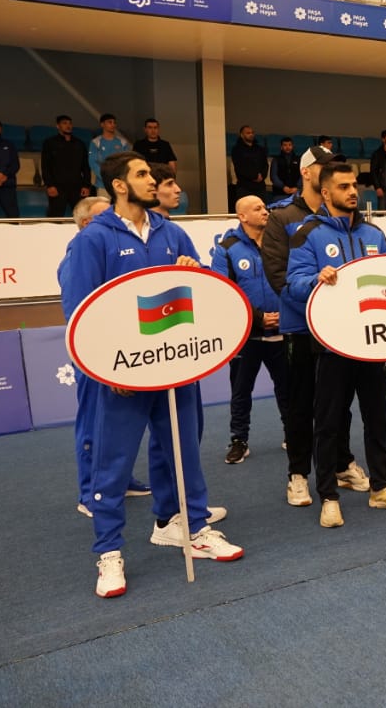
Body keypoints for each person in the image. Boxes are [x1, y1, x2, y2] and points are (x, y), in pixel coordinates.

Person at [60, 152, 242, 598]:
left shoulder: (171, 231)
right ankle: (108, 554)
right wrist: (105, 367)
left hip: (176, 365)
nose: (153, 181)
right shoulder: (93, 240)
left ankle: (186, 526)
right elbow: (80, 312)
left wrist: (193, 273)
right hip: (122, 374)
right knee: (113, 463)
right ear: (119, 185)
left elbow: (201, 290)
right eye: (142, 174)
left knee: (182, 451)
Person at [286, 162, 386, 528]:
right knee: (329, 421)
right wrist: (315, 279)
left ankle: (381, 488)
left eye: (355, 185)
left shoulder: (374, 232)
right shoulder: (307, 233)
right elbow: (292, 281)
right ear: (325, 193)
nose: (354, 191)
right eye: (344, 186)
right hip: (332, 346)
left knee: (377, 416)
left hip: (371, 344)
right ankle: (329, 496)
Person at [262, 145, 368, 508]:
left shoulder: (350, 217)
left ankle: (341, 462)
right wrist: (321, 313)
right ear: (308, 173)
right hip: (303, 328)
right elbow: (280, 278)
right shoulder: (281, 216)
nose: (334, 172)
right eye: (325, 167)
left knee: (339, 404)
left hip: (344, 329)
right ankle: (297, 474)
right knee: (301, 403)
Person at [60, 195, 152, 520]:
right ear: (87, 224)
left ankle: (120, 480)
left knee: (116, 425)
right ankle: (89, 491)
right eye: (105, 216)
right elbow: (79, 312)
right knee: (93, 423)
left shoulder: (110, 248)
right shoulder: (78, 254)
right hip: (94, 354)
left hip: (121, 349)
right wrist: (98, 357)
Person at [211, 196, 290, 466]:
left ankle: (292, 433)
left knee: (289, 388)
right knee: (241, 390)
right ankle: (239, 440)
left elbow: (290, 279)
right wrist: (258, 319)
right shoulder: (227, 249)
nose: (264, 211)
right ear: (242, 216)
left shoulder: (279, 243)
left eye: (264, 206)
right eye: (257, 209)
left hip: (282, 330)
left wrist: (285, 313)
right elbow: (222, 293)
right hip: (246, 335)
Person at [41, 115, 93, 218]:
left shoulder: (79, 144)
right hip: (57, 187)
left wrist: (86, 185)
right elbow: (45, 166)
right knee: (55, 217)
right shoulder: (50, 143)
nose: (68, 126)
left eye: (70, 123)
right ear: (58, 126)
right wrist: (49, 185)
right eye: (64, 123)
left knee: (82, 216)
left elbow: (85, 167)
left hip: (77, 186)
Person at [88, 114, 130, 194]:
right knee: (104, 206)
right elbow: (93, 162)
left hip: (120, 183)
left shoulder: (122, 142)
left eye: (114, 123)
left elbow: (127, 160)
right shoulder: (96, 142)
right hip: (103, 184)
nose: (113, 125)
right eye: (109, 122)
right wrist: (105, 177)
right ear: (102, 124)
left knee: (120, 206)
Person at [232, 125, 270, 201]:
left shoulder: (260, 149)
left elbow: (265, 164)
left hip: (260, 186)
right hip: (244, 186)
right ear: (242, 135)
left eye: (252, 133)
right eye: (248, 133)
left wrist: (262, 175)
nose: (251, 134)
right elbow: (240, 167)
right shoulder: (237, 150)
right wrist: (254, 176)